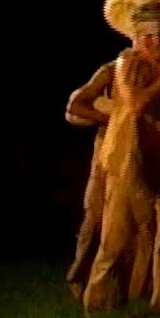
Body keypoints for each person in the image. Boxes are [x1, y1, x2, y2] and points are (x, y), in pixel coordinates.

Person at [83, 0, 160, 318]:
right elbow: (134, 105)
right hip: (128, 155)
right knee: (117, 235)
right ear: (135, 37)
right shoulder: (126, 63)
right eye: (148, 36)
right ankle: (100, 303)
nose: (156, 42)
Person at [63, 58, 117, 299]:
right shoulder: (113, 69)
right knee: (95, 216)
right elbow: (75, 106)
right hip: (109, 153)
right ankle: (79, 276)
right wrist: (114, 117)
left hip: (150, 152)